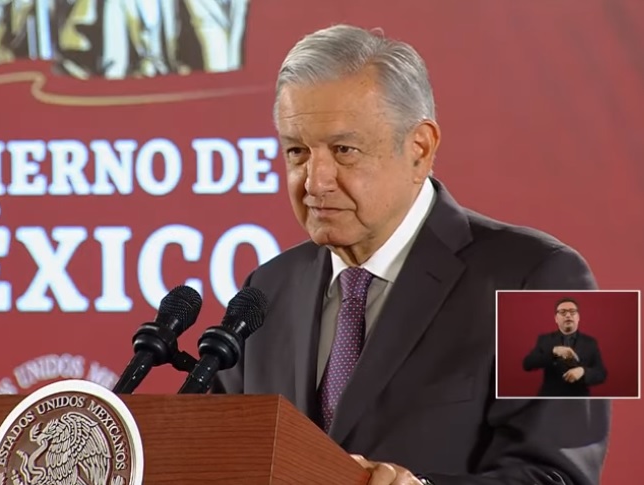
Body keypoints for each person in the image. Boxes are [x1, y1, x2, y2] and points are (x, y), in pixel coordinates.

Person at [213, 24, 610, 485]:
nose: (315, 181)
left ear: (420, 149)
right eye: (297, 151)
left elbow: (563, 477)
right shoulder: (266, 289)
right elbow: (216, 454)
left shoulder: (552, 278)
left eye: (344, 150)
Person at [522, 297, 607, 397]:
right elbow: (527, 364)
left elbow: (601, 373)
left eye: (572, 312)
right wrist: (554, 352)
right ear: (556, 318)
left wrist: (583, 371)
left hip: (579, 399)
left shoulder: (590, 342)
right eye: (563, 312)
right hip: (549, 398)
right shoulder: (545, 340)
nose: (568, 315)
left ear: (578, 317)